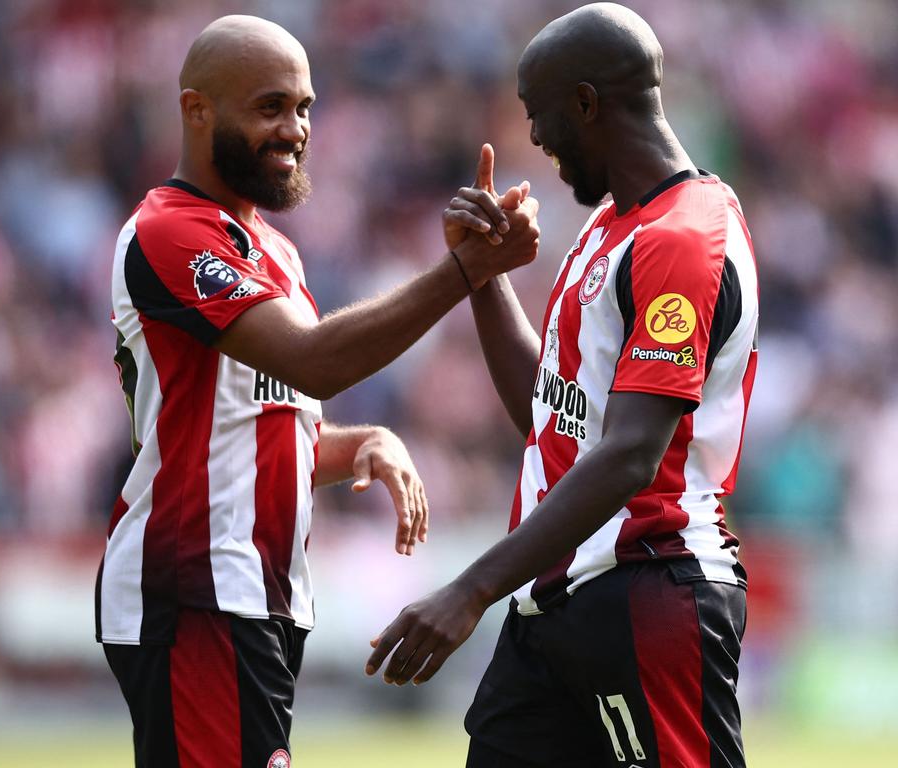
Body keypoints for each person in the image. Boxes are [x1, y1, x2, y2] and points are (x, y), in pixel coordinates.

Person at [95, 14, 540, 768]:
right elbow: (312, 363)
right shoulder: (168, 231)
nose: (295, 129)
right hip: (198, 590)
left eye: (304, 107)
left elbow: (262, 428)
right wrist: (465, 272)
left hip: (256, 595)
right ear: (196, 109)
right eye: (269, 106)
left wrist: (363, 443)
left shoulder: (274, 249)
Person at [365, 4, 758, 767]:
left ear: (586, 102)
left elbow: (629, 457)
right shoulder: (611, 225)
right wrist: (482, 276)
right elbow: (551, 423)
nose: (536, 139)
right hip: (555, 606)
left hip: (649, 587)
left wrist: (470, 589)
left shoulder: (683, 238)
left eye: (539, 113)